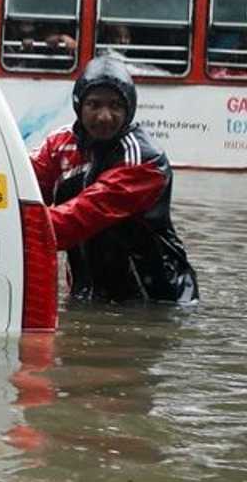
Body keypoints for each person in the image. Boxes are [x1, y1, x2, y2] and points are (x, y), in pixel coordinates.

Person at [30, 55, 197, 303]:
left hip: (156, 301)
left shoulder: (145, 161)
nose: (104, 116)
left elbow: (78, 218)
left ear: (129, 108)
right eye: (94, 105)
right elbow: (21, 188)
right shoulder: (58, 145)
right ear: (79, 105)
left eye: (115, 106)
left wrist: (14, 229)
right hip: (87, 296)